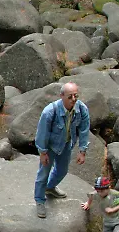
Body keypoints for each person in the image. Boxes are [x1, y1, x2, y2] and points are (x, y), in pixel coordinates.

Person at [34, 82, 90, 219]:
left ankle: (50, 187)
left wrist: (82, 151)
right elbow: (42, 133)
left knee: (62, 170)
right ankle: (40, 200)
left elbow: (84, 130)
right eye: (70, 97)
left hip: (66, 144)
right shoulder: (50, 111)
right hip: (50, 146)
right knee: (43, 174)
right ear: (62, 96)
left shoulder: (82, 109)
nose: (73, 100)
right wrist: (43, 153)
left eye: (76, 96)